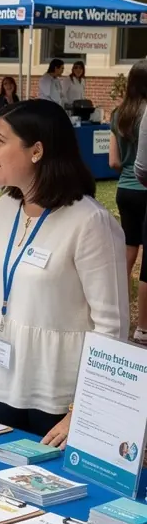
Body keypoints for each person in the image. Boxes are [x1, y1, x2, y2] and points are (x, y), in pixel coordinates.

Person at [0, 100, 126, 446]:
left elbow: (111, 328)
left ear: (37, 151)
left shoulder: (90, 223)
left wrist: (84, 411)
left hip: (62, 397)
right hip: (4, 383)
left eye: (0, 140)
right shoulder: (4, 209)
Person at [110, 60, 147, 343]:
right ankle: (143, 326)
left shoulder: (118, 114)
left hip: (125, 189)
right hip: (145, 188)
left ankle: (117, 315)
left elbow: (113, 161)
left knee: (127, 253)